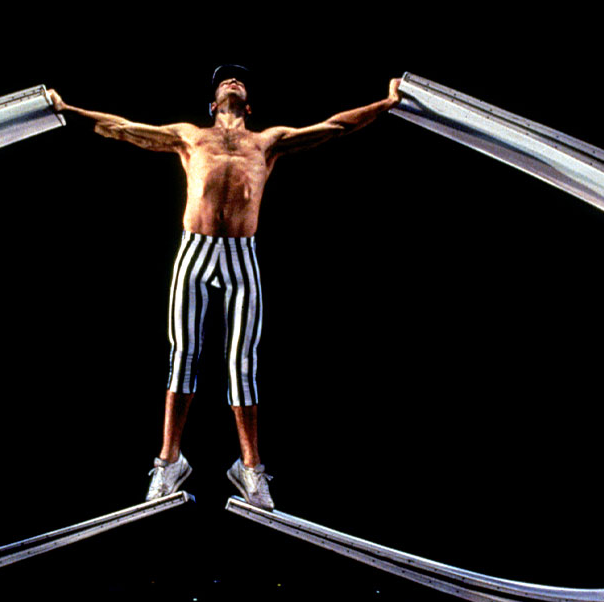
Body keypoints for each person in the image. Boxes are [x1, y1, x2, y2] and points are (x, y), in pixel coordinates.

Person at [46, 65, 401, 510]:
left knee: (242, 363)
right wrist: (67, 108)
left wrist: (387, 103)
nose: (232, 81)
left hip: (241, 256)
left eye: (239, 80)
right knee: (183, 355)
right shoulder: (190, 136)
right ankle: (168, 462)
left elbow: (334, 127)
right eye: (224, 81)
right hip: (195, 252)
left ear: (248, 107)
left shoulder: (267, 141)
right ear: (212, 103)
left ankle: (250, 469)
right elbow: (122, 128)